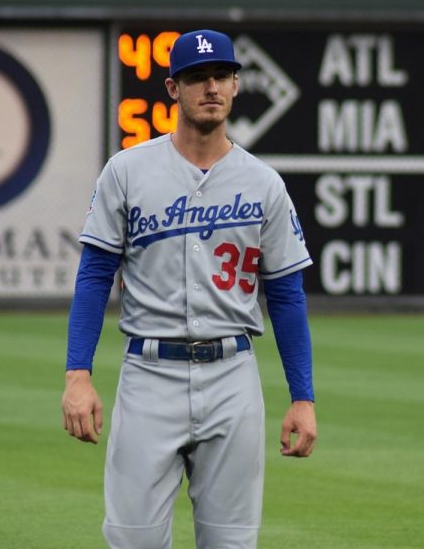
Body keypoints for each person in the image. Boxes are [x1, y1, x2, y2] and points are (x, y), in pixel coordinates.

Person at [61, 29, 317, 549]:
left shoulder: (264, 183)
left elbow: (287, 296)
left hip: (232, 377)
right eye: (196, 78)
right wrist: (78, 375)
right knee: (132, 540)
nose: (211, 87)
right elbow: (93, 276)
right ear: (173, 88)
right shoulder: (127, 171)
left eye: (220, 76)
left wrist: (303, 397)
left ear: (237, 85)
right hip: (148, 373)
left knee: (232, 543)